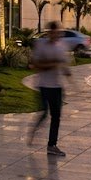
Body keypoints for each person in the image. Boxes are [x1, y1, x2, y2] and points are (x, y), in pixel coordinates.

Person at [29, 21, 72, 156]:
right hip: (44, 85)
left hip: (57, 87)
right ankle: (34, 130)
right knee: (44, 113)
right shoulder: (41, 45)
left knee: (56, 117)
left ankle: (52, 145)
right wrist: (53, 64)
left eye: (57, 32)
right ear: (49, 33)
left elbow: (64, 66)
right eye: (53, 32)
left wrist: (67, 73)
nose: (55, 34)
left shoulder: (62, 46)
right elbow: (34, 64)